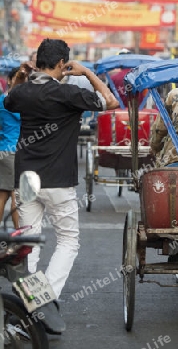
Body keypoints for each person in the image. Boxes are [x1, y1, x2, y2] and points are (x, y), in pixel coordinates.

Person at [4, 39, 119, 305]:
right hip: (58, 180)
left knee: (27, 242)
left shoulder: (23, 92)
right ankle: (41, 300)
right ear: (60, 64)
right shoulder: (68, 94)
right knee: (68, 241)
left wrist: (21, 77)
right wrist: (88, 73)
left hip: (26, 179)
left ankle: (26, 300)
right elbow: (110, 102)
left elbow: (9, 101)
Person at [0, 67, 20, 228]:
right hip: (13, 152)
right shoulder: (10, 100)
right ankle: (20, 236)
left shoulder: (2, 99)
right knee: (17, 195)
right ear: (10, 80)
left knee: (4, 195)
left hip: (6, 149)